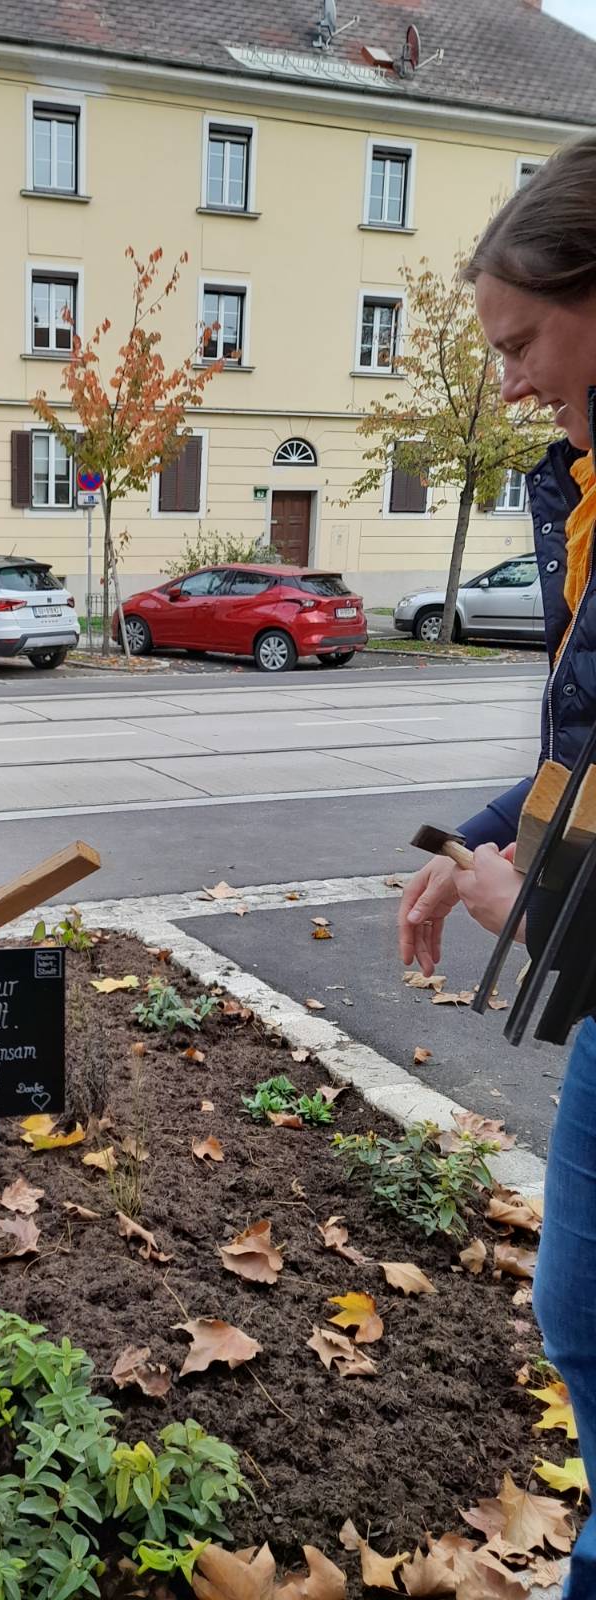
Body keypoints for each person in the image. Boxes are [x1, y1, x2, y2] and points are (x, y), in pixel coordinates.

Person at [397, 133, 596, 1598]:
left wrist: (529, 910)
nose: (510, 381)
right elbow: (584, 753)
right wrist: (487, 833)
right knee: (579, 1313)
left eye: (523, 340)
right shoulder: (583, 495)